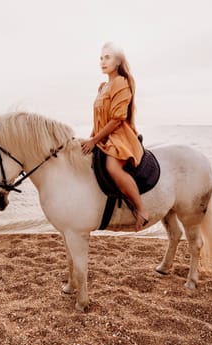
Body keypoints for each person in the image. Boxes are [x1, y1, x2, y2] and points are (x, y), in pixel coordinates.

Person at [81, 42, 149, 231]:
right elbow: (99, 120)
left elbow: (117, 118)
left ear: (118, 61)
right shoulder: (102, 86)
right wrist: (90, 139)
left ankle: (141, 210)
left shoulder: (121, 82)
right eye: (101, 58)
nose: (102, 62)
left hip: (119, 135)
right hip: (102, 136)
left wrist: (95, 140)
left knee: (112, 167)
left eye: (107, 57)